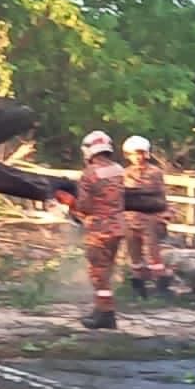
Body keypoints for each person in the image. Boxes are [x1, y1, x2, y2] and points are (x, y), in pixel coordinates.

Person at [72, 130, 127, 329]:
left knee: (98, 273)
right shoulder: (119, 169)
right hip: (118, 227)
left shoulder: (89, 173)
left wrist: (71, 205)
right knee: (107, 270)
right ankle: (100, 309)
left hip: (99, 229)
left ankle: (106, 314)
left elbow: (84, 205)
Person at [121, 135, 172, 299]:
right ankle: (138, 289)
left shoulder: (155, 173)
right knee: (134, 253)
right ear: (128, 155)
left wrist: (163, 215)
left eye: (142, 153)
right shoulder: (125, 174)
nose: (139, 157)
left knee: (153, 253)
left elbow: (160, 195)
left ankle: (161, 288)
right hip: (130, 218)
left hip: (150, 218)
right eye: (135, 154)